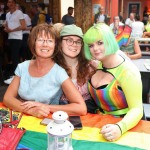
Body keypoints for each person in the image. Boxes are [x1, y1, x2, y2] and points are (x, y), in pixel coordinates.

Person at [3, 23, 87, 118]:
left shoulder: (59, 72)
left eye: (50, 41)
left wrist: (45, 107)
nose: (45, 44)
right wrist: (31, 110)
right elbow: (7, 98)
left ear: (55, 45)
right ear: (33, 43)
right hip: (22, 118)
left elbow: (81, 108)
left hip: (46, 121)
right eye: (40, 40)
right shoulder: (22, 67)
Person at [83, 23, 143, 141]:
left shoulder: (128, 72)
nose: (95, 49)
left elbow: (137, 109)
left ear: (110, 41)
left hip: (122, 130)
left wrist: (120, 128)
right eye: (91, 45)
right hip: (97, 125)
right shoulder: (99, 64)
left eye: (100, 43)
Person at [54, 24, 97, 113]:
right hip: (58, 112)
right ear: (60, 42)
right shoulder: (52, 66)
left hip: (88, 113)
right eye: (69, 40)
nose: (74, 44)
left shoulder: (91, 66)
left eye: (78, 41)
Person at [3, 0, 26, 84]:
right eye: (9, 2)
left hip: (17, 38)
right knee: (12, 57)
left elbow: (23, 26)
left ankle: (16, 77)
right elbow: (6, 24)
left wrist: (12, 30)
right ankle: (16, 76)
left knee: (15, 57)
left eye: (12, 2)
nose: (10, 4)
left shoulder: (19, 12)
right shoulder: (8, 14)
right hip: (10, 38)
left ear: (15, 4)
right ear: (7, 4)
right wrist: (6, 28)